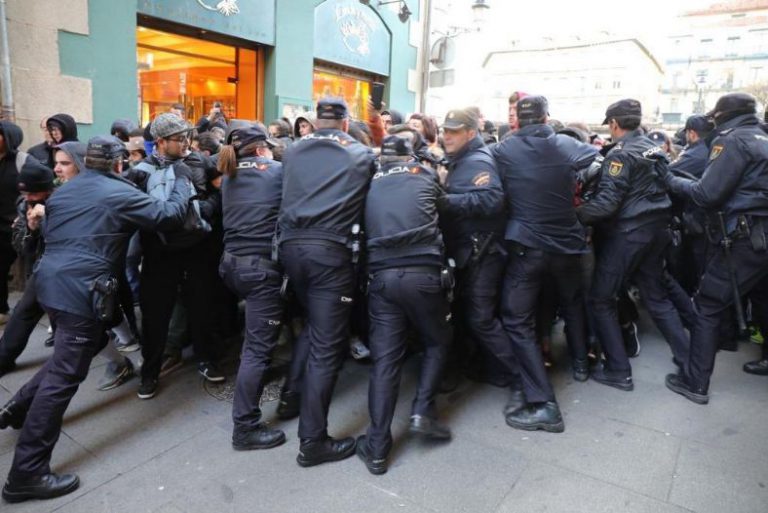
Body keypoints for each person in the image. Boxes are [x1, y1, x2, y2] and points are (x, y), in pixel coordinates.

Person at [0, 135, 190, 503]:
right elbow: (167, 216)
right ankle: (26, 473)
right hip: (80, 291)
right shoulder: (115, 193)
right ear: (119, 163)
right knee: (65, 375)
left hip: (49, 284)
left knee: (67, 358)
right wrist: (181, 180)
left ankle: (18, 406)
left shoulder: (67, 190)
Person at [278, 97, 376, 467]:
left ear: (316, 122)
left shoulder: (291, 151)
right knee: (326, 346)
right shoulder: (360, 153)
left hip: (291, 250)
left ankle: (290, 396)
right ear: (346, 124)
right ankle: (313, 441)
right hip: (330, 254)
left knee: (315, 330)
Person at [493, 96, 598, 432]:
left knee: (515, 317)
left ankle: (543, 403)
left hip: (528, 245)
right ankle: (580, 364)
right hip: (567, 244)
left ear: (519, 120)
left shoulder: (505, 149)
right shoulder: (566, 144)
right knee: (572, 303)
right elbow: (595, 158)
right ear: (546, 116)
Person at [576, 99, 690, 392]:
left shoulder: (620, 155)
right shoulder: (653, 148)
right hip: (657, 230)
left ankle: (618, 370)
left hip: (629, 234)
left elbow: (606, 204)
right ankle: (690, 362)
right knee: (657, 298)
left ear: (614, 124)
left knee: (601, 299)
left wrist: (571, 215)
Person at [356, 132, 452, 475]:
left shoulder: (369, 184)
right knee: (437, 342)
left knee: (385, 361)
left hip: (382, 279)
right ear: (411, 156)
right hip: (424, 276)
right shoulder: (424, 176)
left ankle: (377, 448)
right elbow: (446, 209)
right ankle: (422, 410)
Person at [664, 92, 768, 403]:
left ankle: (695, 382)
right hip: (761, 235)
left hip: (743, 238)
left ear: (721, 116)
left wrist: (670, 180)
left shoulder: (732, 141)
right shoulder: (763, 137)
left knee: (707, 306)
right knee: (763, 298)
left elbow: (707, 194)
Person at [133, 113, 224, 400]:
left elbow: (222, 189)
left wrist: (207, 207)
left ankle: (206, 360)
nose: (186, 143)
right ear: (160, 142)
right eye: (179, 138)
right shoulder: (140, 171)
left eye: (187, 137)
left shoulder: (199, 161)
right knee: (156, 314)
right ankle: (150, 371)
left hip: (198, 249)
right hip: (159, 252)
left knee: (202, 306)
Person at [439, 108, 523, 406]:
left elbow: (491, 199)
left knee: (481, 318)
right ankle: (472, 367)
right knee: (465, 315)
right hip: (469, 251)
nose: (446, 135)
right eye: (444, 130)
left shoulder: (477, 160)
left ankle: (521, 380)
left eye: (453, 131)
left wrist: (445, 201)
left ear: (470, 133)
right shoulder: (461, 159)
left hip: (482, 251)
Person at [217, 124, 287, 450]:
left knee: (255, 340)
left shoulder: (227, 174)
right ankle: (245, 428)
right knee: (257, 350)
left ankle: (258, 375)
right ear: (261, 149)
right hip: (260, 271)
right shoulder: (275, 171)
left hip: (231, 266)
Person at [0, 121, 33, 325]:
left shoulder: (23, 161)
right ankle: (2, 309)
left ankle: (39, 310)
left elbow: (39, 185)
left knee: (32, 269)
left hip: (18, 225)